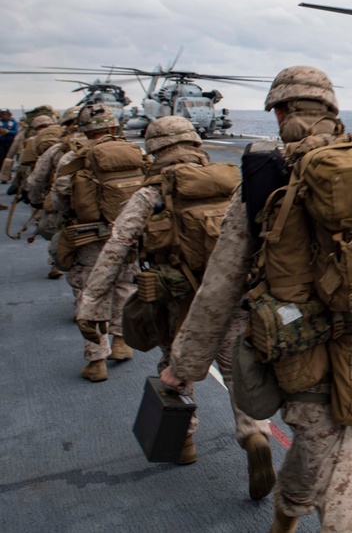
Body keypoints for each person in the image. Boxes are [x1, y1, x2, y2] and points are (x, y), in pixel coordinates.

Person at [160, 66, 352, 532]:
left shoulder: (267, 177)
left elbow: (220, 285)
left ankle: (289, 513)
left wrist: (183, 366)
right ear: (332, 110)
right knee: (332, 439)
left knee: (328, 442)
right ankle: (286, 514)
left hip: (301, 347)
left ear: (279, 112)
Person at [74, 116, 275, 485]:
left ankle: (184, 443)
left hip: (176, 302)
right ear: (195, 144)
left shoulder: (151, 195)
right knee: (237, 372)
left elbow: (116, 247)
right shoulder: (233, 185)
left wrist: (90, 303)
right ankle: (255, 433)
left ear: (154, 149)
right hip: (229, 299)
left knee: (175, 369)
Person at [49, 104, 139, 382]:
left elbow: (59, 196)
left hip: (89, 237)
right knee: (124, 285)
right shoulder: (134, 152)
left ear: (83, 128)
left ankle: (96, 359)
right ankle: (122, 342)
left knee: (90, 292)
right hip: (126, 235)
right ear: (114, 127)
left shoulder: (74, 157)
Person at [25, 106, 84, 279]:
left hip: (66, 207)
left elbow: (36, 180)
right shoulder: (116, 146)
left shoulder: (58, 150)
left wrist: (36, 202)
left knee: (61, 235)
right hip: (107, 209)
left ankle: (57, 263)